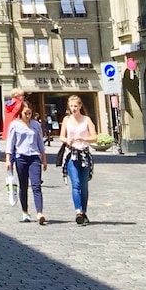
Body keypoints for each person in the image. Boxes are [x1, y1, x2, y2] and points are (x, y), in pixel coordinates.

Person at [5, 101, 47, 225]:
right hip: (21, 157)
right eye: (25, 113)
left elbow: (40, 142)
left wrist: (43, 158)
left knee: (36, 185)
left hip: (34, 157)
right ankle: (25, 212)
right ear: (20, 113)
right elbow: (10, 143)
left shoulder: (35, 125)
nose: (28, 115)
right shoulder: (15, 125)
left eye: (29, 113)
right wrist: (8, 159)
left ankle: (39, 213)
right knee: (23, 186)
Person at [59, 94, 97, 225]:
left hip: (84, 154)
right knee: (76, 184)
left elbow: (94, 137)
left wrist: (83, 139)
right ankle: (78, 212)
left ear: (80, 106)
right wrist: (67, 140)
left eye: (76, 106)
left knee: (84, 185)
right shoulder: (66, 120)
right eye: (71, 106)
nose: (73, 109)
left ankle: (84, 211)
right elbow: (61, 137)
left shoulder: (86, 120)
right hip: (72, 154)